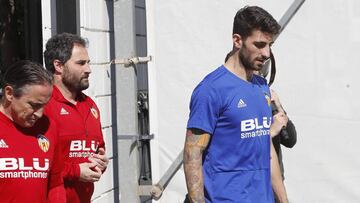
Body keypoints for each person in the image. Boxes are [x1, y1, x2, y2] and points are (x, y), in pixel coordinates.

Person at [183, 6, 289, 203]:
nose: (266, 53)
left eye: (269, 45)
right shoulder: (211, 89)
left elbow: (266, 149)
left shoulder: (261, 86)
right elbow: (192, 155)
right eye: (259, 44)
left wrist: (283, 200)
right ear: (237, 40)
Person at [43, 33, 109, 203]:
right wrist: (76, 172)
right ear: (58, 65)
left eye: (88, 63)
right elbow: (33, 163)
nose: (88, 69)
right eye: (81, 63)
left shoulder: (90, 105)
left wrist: (100, 163)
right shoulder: (42, 105)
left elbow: (97, 149)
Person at [0, 60, 65, 202]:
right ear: (10, 93)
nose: (40, 113)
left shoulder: (48, 127)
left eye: (44, 105)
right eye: (34, 105)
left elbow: (56, 185)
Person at [270, 89, 297, 203]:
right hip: (252, 183)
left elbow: (290, 140)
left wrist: (279, 107)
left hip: (275, 184)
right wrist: (270, 133)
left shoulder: (269, 100)